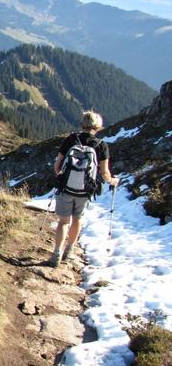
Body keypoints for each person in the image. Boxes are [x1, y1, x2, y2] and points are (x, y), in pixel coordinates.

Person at [50, 111, 119, 267]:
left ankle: (56, 253)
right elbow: (104, 173)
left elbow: (58, 165)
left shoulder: (71, 139)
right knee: (77, 219)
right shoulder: (101, 145)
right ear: (98, 127)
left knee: (63, 222)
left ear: (82, 124)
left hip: (66, 188)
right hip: (84, 190)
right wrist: (112, 181)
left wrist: (61, 178)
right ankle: (69, 251)